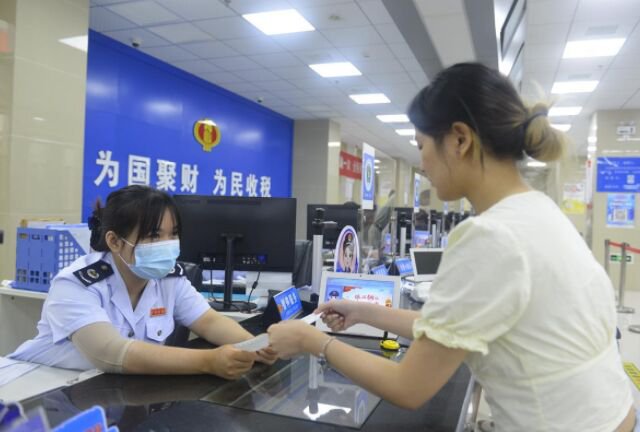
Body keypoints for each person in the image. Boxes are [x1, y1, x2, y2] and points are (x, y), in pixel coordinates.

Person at [268, 63, 635, 431]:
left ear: (460, 139)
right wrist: (364, 312)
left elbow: (408, 387)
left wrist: (312, 341)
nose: (422, 163)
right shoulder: (538, 211)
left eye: (422, 146)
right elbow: (450, 328)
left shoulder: (490, 236)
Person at [9, 185, 276, 379]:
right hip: (36, 390)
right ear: (114, 241)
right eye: (153, 235)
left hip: (105, 389)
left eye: (173, 234)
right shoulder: (75, 283)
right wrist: (209, 361)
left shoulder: (168, 278)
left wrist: (255, 346)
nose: (167, 244)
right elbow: (111, 352)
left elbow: (208, 321)